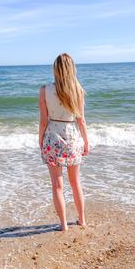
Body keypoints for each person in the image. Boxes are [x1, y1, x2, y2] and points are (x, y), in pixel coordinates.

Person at [38, 53, 89, 231]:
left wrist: (40, 139)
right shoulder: (78, 90)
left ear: (56, 69)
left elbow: (44, 120)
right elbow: (81, 120)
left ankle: (63, 224)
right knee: (76, 183)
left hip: (53, 138)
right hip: (73, 137)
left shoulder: (45, 90)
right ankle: (82, 219)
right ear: (71, 69)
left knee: (57, 186)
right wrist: (86, 141)